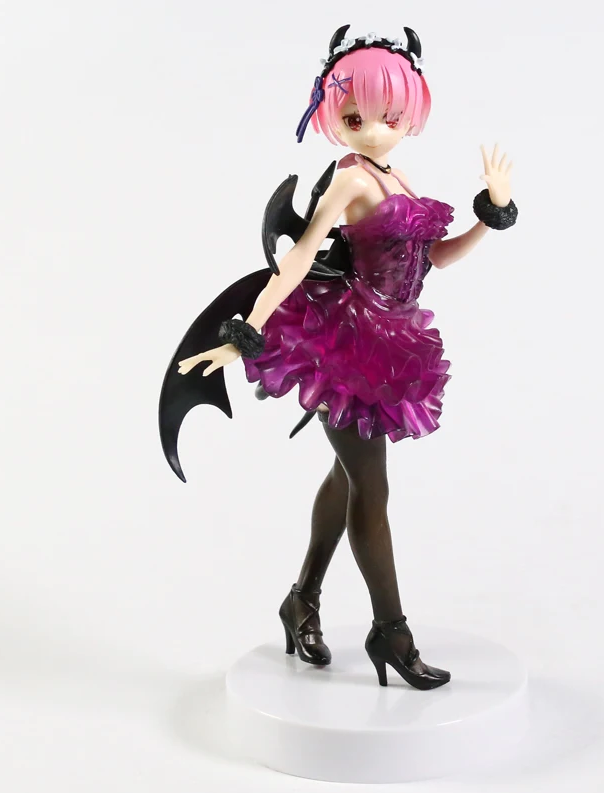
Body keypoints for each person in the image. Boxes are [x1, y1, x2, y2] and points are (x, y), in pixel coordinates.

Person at [172, 26, 517, 690]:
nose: (375, 129)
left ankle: (300, 601)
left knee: (347, 476)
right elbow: (300, 256)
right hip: (343, 345)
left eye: (389, 115)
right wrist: (246, 332)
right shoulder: (350, 178)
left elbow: (435, 260)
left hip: (392, 340)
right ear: (334, 115)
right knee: (372, 487)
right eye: (356, 118)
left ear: (410, 111)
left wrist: (490, 215)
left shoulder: (394, 173)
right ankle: (391, 632)